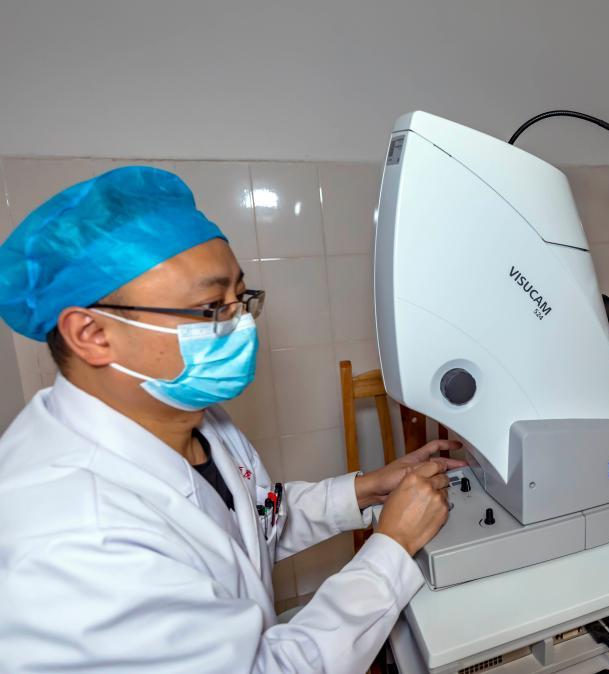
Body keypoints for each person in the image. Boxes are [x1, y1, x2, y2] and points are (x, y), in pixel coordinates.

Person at [0, 166, 464, 673]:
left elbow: (253, 521)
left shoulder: (189, 415)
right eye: (210, 308)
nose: (241, 324)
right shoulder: (72, 539)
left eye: (241, 300)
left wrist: (364, 490)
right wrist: (391, 548)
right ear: (92, 334)